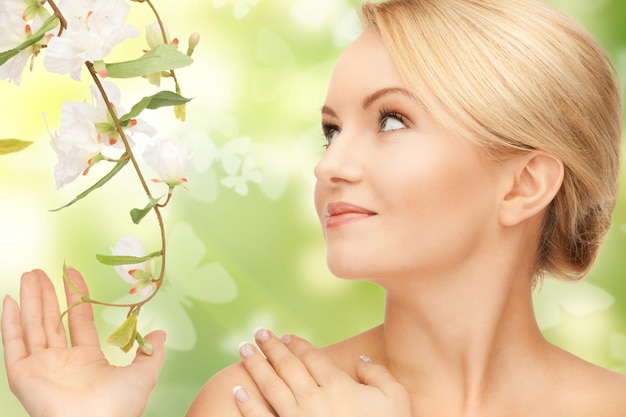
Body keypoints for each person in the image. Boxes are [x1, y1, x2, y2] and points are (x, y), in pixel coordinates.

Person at [2, 0, 625, 416]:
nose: (330, 166)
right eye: (330, 130)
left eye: (391, 119)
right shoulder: (254, 402)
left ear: (523, 185)